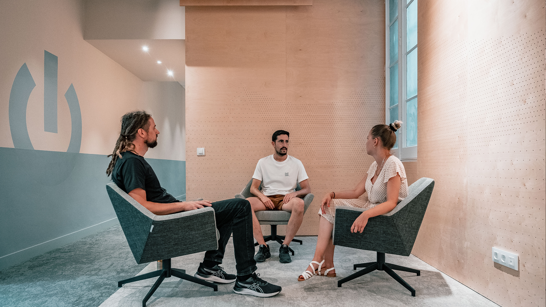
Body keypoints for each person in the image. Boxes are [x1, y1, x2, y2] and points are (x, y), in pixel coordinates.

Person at [106, 111, 281, 297]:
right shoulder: (132, 162)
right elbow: (143, 207)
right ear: (141, 133)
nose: (158, 132)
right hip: (165, 225)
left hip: (169, 218)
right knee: (241, 206)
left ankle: (209, 267)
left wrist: (188, 204)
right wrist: (184, 206)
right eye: (154, 127)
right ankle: (246, 279)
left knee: (230, 210)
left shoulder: (129, 159)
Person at [298, 121, 408, 281]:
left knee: (332, 210)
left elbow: (391, 203)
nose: (366, 142)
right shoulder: (375, 165)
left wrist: (366, 215)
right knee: (329, 205)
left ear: (375, 141)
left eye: (367, 138)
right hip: (370, 207)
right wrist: (332, 194)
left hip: (386, 220)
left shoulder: (393, 164)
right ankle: (327, 265)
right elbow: (356, 192)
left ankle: (317, 261)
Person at [247, 130, 311, 264]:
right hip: (267, 198)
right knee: (246, 205)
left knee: (299, 204)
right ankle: (263, 246)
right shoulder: (263, 162)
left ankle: (285, 246)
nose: (284, 145)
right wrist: (263, 197)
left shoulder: (296, 163)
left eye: (287, 141)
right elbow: (253, 187)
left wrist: (294, 193)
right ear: (273, 143)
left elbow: (307, 189)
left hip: (286, 200)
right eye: (281, 141)